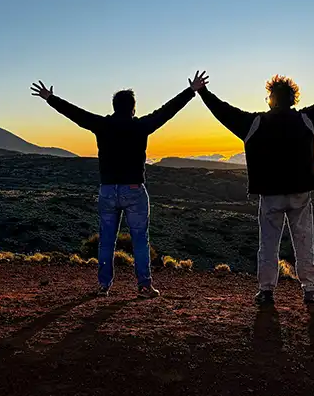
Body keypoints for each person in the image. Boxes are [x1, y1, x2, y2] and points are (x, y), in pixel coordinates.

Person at [31, 72, 209, 298]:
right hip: (134, 189)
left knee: (106, 241)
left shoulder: (102, 125)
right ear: (133, 108)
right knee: (140, 241)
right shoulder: (141, 126)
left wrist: (50, 98)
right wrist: (191, 91)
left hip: (107, 190)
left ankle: (103, 285)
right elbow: (167, 111)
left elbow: (76, 114)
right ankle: (144, 286)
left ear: (114, 107)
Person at [196, 65, 314, 307]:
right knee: (304, 242)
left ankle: (266, 291)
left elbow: (224, 112)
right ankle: (310, 290)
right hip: (300, 193)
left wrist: (203, 92)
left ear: (271, 99)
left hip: (270, 194)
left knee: (268, 244)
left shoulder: (255, 123)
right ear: (293, 98)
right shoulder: (306, 120)